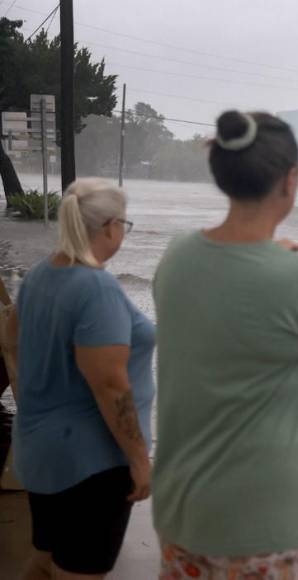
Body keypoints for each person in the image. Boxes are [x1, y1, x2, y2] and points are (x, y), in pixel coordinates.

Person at [153, 110, 298, 580]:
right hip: (266, 530)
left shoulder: (176, 257)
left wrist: (293, 267)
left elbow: (237, 301)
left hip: (183, 516)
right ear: (291, 181)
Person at [11, 178, 155, 579]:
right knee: (77, 573)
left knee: (44, 562)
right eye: (124, 225)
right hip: (92, 465)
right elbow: (110, 385)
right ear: (110, 226)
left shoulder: (40, 275)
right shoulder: (97, 287)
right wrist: (140, 460)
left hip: (41, 451)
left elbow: (11, 342)